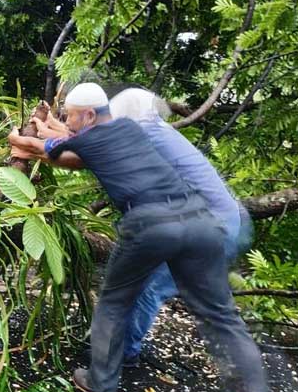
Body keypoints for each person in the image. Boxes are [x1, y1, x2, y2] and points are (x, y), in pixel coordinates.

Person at [8, 83, 287, 392]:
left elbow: (48, 148)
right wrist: (48, 127)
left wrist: (17, 137)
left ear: (89, 116)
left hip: (152, 225)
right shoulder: (129, 129)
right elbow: (69, 139)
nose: (68, 122)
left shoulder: (92, 139)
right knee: (225, 322)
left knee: (115, 301)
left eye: (72, 116)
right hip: (201, 224)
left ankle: (101, 383)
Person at [106, 88, 251, 366]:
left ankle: (124, 355)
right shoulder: (156, 131)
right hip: (220, 222)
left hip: (213, 228)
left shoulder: (144, 135)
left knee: (149, 286)